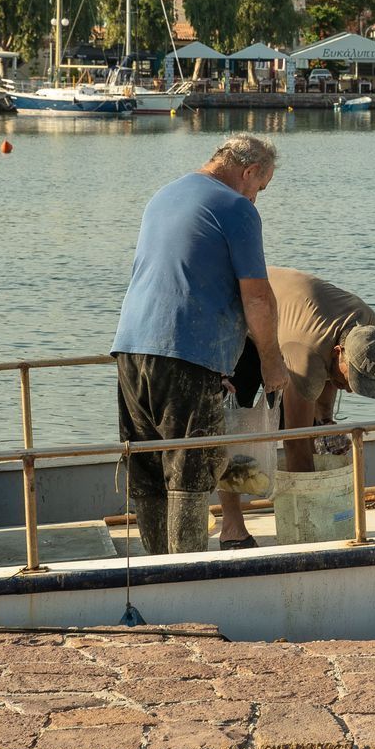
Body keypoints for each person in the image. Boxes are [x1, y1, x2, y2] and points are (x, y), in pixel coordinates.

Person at [110, 134, 286, 554]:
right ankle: (187, 580)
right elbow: (258, 297)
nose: (256, 200)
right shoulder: (236, 208)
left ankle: (157, 574)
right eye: (260, 189)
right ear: (248, 173)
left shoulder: (164, 195)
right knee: (191, 474)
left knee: (152, 473)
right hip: (185, 354)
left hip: (131, 349)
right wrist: (271, 362)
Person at [216, 267, 375, 548]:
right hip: (241, 315)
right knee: (235, 426)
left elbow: (332, 375)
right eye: (352, 380)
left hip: (294, 321)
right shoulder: (307, 353)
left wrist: (324, 423)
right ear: (338, 353)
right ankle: (232, 526)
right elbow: (295, 443)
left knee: (312, 422)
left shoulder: (371, 329)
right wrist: (314, 512)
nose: (350, 389)